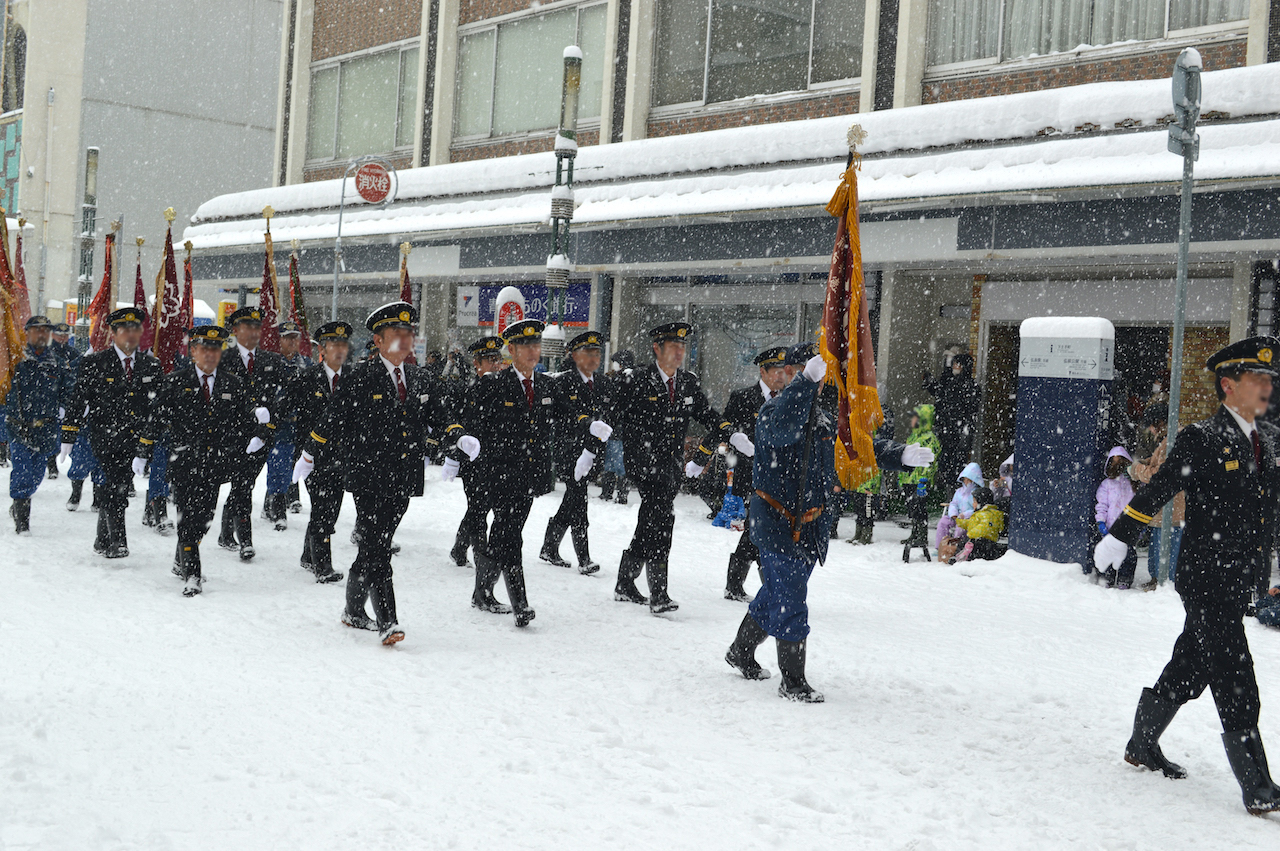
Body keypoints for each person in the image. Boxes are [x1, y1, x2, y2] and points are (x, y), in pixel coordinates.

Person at [1094, 336, 1280, 815]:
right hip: (1206, 578)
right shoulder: (1202, 437)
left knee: (1190, 665)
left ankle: (1141, 744)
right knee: (1236, 674)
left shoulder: (1271, 440)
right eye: (1256, 379)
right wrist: (1119, 535)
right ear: (1228, 385)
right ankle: (1258, 786)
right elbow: (1159, 490)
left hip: (1240, 580)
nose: (1266, 387)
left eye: (1269, 380)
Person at [723, 343, 932, 701]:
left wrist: (902, 455)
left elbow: (858, 447)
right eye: (801, 372)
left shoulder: (822, 416)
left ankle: (740, 651)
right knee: (790, 598)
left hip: (811, 525)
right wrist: (805, 383)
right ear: (788, 374)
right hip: (776, 524)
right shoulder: (772, 411)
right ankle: (793, 680)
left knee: (776, 593)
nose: (815, 382)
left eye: (816, 374)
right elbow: (784, 429)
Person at [295, 302, 469, 645]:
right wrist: (310, 452)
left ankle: (353, 609)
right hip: (368, 476)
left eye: (409, 334)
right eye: (397, 334)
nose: (405, 340)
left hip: (404, 477)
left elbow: (440, 415)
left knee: (376, 546)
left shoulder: (421, 377)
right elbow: (334, 416)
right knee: (377, 548)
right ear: (378, 340)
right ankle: (388, 619)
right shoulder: (359, 375)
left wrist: (457, 437)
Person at [457, 319, 608, 627]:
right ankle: (520, 604)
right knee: (511, 538)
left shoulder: (547, 385)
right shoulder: (494, 383)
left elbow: (568, 413)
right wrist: (459, 449)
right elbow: (471, 420)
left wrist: (587, 424)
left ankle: (482, 592)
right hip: (499, 474)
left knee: (503, 535)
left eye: (536, 345)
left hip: (530, 476)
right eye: (526, 346)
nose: (533, 351)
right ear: (511, 350)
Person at [598, 322, 731, 613]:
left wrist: (725, 427)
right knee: (662, 520)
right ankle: (658, 593)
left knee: (651, 520)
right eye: (674, 346)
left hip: (670, 465)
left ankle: (625, 582)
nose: (680, 352)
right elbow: (607, 415)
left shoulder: (687, 382)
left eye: (683, 347)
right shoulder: (634, 380)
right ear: (657, 349)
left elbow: (704, 412)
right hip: (643, 463)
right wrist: (591, 448)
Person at [136, 325, 268, 596]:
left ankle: (180, 559)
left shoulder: (232, 383)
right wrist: (143, 449)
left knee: (205, 518)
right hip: (184, 459)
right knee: (187, 518)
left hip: (216, 463)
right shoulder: (175, 381)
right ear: (193, 351)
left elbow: (246, 416)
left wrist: (259, 432)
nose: (210, 354)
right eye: (204, 349)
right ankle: (192, 574)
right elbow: (157, 417)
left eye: (215, 349)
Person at [57, 308, 164, 558]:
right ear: (113, 333)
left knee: (117, 484)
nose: (130, 334)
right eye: (124, 330)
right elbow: (78, 400)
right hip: (106, 436)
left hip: (137, 439)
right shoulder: (95, 363)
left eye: (135, 329)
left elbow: (158, 405)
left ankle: (101, 539)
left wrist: (152, 437)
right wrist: (69, 435)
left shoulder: (151, 365)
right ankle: (118, 540)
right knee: (118, 484)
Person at [280, 320, 353, 583]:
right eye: (334, 344)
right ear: (322, 348)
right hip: (313, 456)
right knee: (323, 507)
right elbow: (283, 405)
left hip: (344, 455)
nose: (340, 349)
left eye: (343, 344)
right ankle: (323, 565)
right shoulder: (307, 378)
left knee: (331, 507)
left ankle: (308, 555)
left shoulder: (354, 378)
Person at [217, 307, 287, 560]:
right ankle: (244, 539)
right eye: (248, 327)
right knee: (242, 485)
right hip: (233, 437)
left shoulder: (272, 361)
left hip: (262, 437)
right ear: (235, 331)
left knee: (243, 484)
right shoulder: (223, 359)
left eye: (257, 327)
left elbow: (282, 398)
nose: (254, 332)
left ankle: (226, 533)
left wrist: (267, 427)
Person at [720, 346, 787, 600]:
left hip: (778, 478)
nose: (781, 376)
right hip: (751, 475)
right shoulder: (743, 397)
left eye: (784, 371)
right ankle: (768, 588)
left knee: (759, 531)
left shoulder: (788, 398)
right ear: (763, 371)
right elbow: (726, 426)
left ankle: (744, 586)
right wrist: (738, 439)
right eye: (777, 371)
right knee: (756, 529)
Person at [540, 330, 608, 575]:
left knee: (572, 499)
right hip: (570, 451)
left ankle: (549, 546)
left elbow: (607, 414)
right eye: (588, 353)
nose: (593, 358)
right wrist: (586, 422)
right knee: (579, 501)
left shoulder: (601, 383)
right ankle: (584, 558)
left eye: (597, 353)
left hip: (593, 451)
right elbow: (565, 413)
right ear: (575, 355)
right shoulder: (564, 382)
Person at [6, 315, 74, 533]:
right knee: (22, 472)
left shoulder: (56, 362)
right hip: (19, 425)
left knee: (36, 474)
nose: (42, 334)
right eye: (37, 330)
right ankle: (22, 523)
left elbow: (68, 389)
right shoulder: (15, 358)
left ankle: (20, 502)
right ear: (27, 333)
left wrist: (64, 406)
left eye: (45, 330)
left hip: (46, 427)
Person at [448, 335, 505, 567]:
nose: (495, 364)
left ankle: (459, 547)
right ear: (477, 364)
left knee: (481, 507)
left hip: (499, 460)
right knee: (479, 508)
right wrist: (454, 456)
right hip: (475, 461)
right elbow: (455, 425)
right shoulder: (467, 391)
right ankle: (481, 558)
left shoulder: (505, 389)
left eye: (497, 359)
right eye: (489, 360)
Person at [263, 321, 309, 528]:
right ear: (279, 339)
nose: (292, 341)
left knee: (290, 467)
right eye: (288, 337)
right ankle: (278, 508)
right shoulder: (271, 363)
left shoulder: (306, 364)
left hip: (300, 426)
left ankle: (270, 501)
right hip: (278, 424)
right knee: (279, 465)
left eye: (295, 337)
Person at [1131, 420, 1184, 591]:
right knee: (1158, 545)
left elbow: (1160, 473)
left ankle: (1164, 584)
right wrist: (1145, 462)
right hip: (1166, 506)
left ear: (1161, 423)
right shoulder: (1169, 438)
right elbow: (1159, 463)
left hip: (1171, 506)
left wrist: (1136, 470)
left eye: (1151, 426)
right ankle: (1157, 579)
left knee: (1165, 547)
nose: (1150, 430)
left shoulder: (1172, 441)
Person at [923, 352, 982, 490]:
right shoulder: (950, 382)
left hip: (957, 433)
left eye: (957, 364)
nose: (954, 367)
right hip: (948, 431)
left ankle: (955, 492)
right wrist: (930, 382)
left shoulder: (969, 387)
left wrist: (962, 429)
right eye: (954, 363)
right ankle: (950, 490)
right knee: (947, 463)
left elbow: (969, 410)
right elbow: (939, 392)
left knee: (955, 464)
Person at [895, 404, 941, 553]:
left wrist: (924, 481)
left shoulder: (929, 439)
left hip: (920, 481)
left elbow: (930, 463)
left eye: (915, 417)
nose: (912, 420)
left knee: (920, 508)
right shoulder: (913, 436)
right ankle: (914, 533)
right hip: (910, 479)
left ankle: (921, 535)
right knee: (912, 508)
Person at [1094, 446, 1137, 588]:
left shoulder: (1134, 484)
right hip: (1110, 527)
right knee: (1109, 552)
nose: (1117, 464)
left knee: (1128, 556)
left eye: (1120, 460)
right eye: (1114, 461)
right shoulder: (1106, 485)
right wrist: (1101, 521)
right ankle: (1107, 578)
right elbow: (1102, 505)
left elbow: (1139, 505)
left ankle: (1125, 578)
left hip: (1128, 527)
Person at [597, 350, 634, 503]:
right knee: (619, 462)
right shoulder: (634, 378)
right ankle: (620, 494)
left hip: (616, 427)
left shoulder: (620, 380)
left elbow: (612, 403)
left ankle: (611, 493)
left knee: (613, 462)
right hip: (625, 428)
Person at [936, 461, 983, 555]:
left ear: (974, 480)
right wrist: (953, 514)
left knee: (960, 527)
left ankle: (956, 548)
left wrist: (965, 515)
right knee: (943, 522)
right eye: (965, 479)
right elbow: (954, 503)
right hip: (957, 517)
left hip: (969, 519)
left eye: (968, 479)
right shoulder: (959, 491)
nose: (966, 481)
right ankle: (941, 547)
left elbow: (977, 509)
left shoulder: (977, 493)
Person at [952, 486, 1006, 563]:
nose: (973, 504)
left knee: (969, 544)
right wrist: (960, 521)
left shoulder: (988, 514)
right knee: (965, 543)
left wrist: (970, 534)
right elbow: (971, 523)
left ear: (981, 502)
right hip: (979, 540)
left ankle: (963, 559)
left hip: (986, 542)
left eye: (974, 501)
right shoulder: (981, 513)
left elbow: (983, 528)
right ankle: (959, 557)